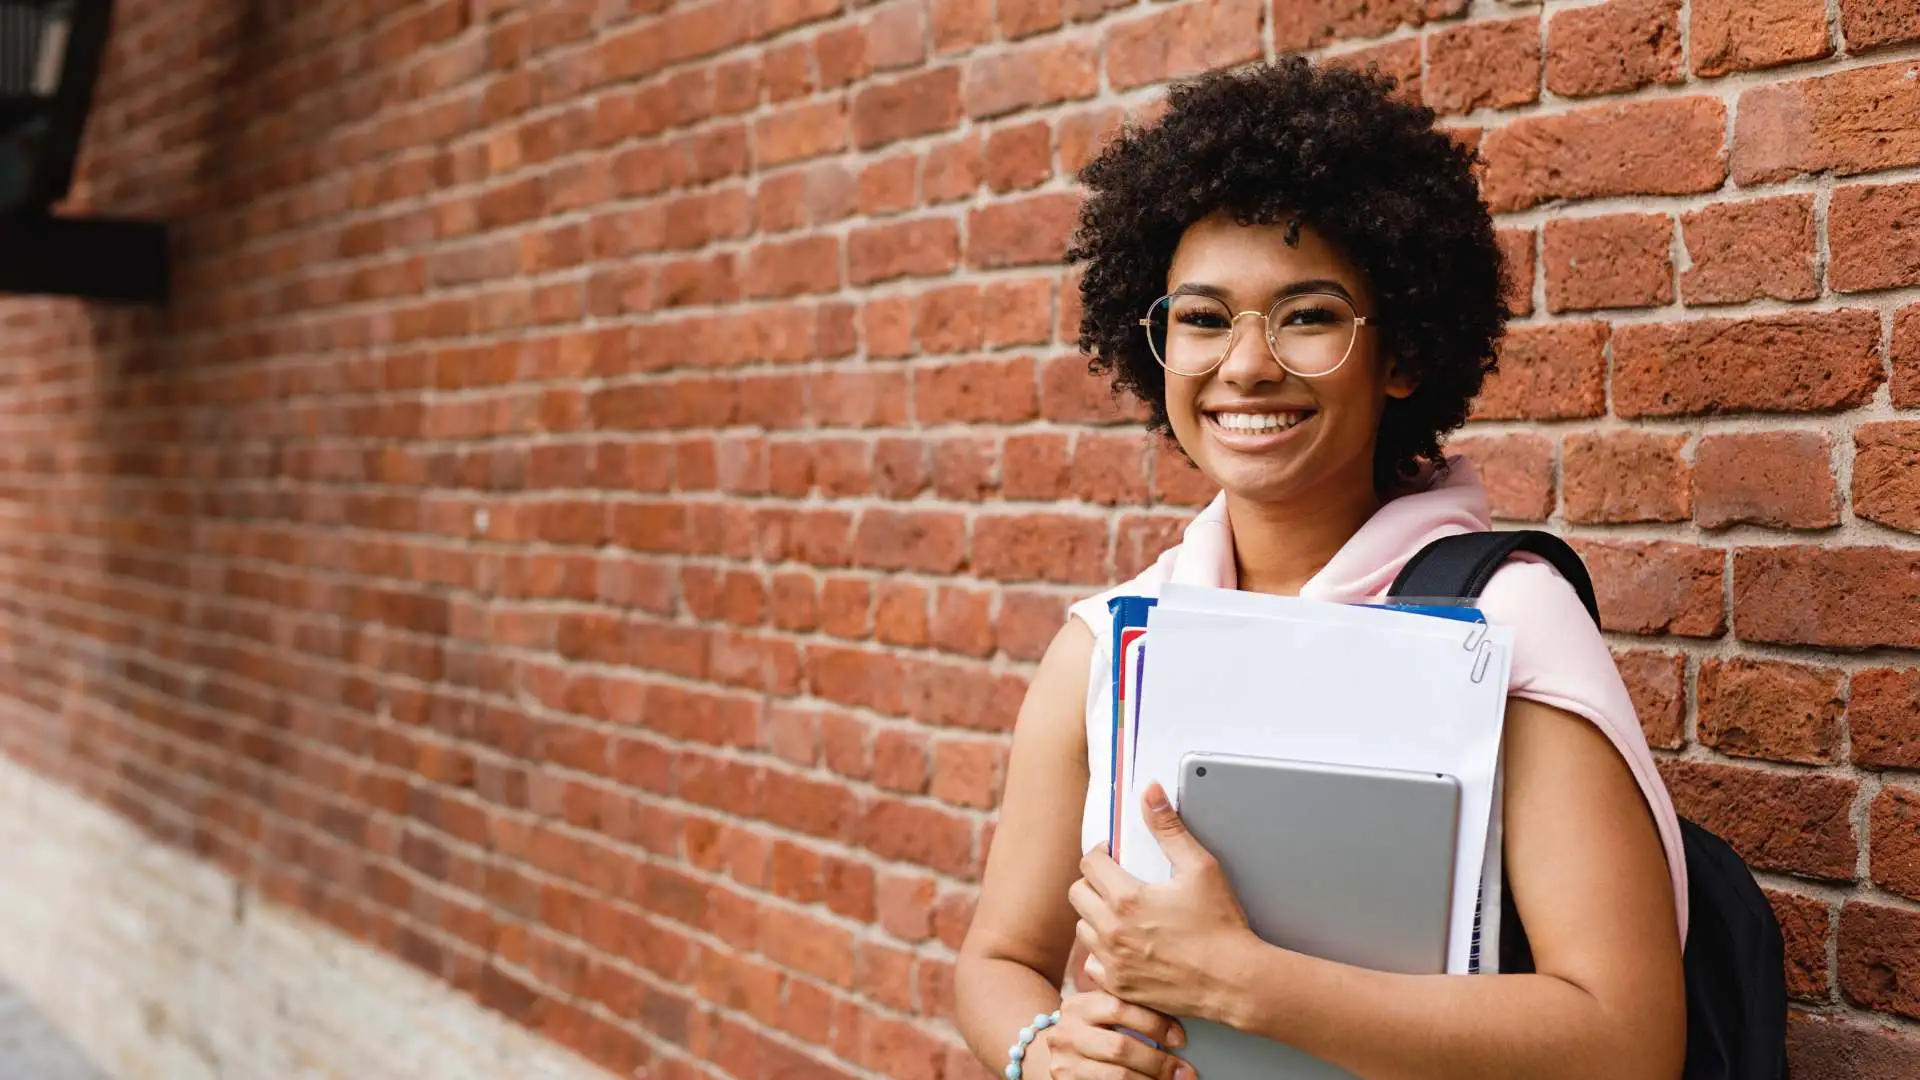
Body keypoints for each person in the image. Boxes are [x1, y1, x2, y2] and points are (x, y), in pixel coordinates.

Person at [953, 58, 1688, 1080]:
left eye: (1307, 316)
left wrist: (1240, 984)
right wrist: (1042, 1053)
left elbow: (1627, 1039)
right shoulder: (1109, 645)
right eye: (1203, 319)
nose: (1246, 366)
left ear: (1402, 356)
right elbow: (998, 960)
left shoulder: (1501, 622)